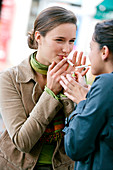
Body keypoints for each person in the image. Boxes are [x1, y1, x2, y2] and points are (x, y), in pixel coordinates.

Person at [0, 6, 87, 170]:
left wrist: (72, 87)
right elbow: (22, 142)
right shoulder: (9, 78)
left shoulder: (72, 75)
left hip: (63, 165)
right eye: (59, 40)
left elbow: (80, 134)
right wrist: (50, 93)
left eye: (71, 41)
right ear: (39, 37)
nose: (67, 49)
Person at [60, 19, 113, 170]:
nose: (89, 55)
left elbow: (75, 147)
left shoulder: (106, 83)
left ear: (104, 52)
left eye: (91, 48)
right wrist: (88, 96)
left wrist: (82, 102)